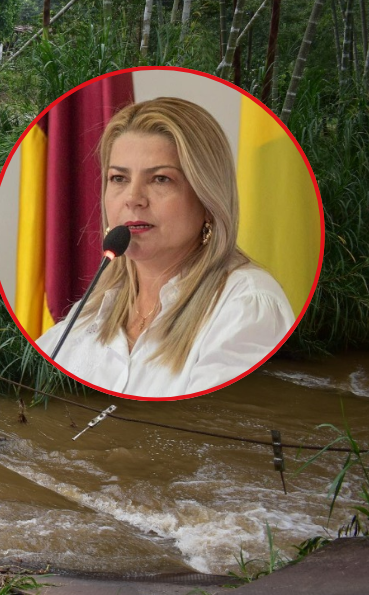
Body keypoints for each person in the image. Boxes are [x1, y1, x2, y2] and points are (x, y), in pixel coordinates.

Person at [35, 97, 295, 397]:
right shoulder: (90, 316)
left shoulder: (246, 307)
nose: (133, 198)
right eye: (119, 178)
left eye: (160, 179)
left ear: (208, 199)